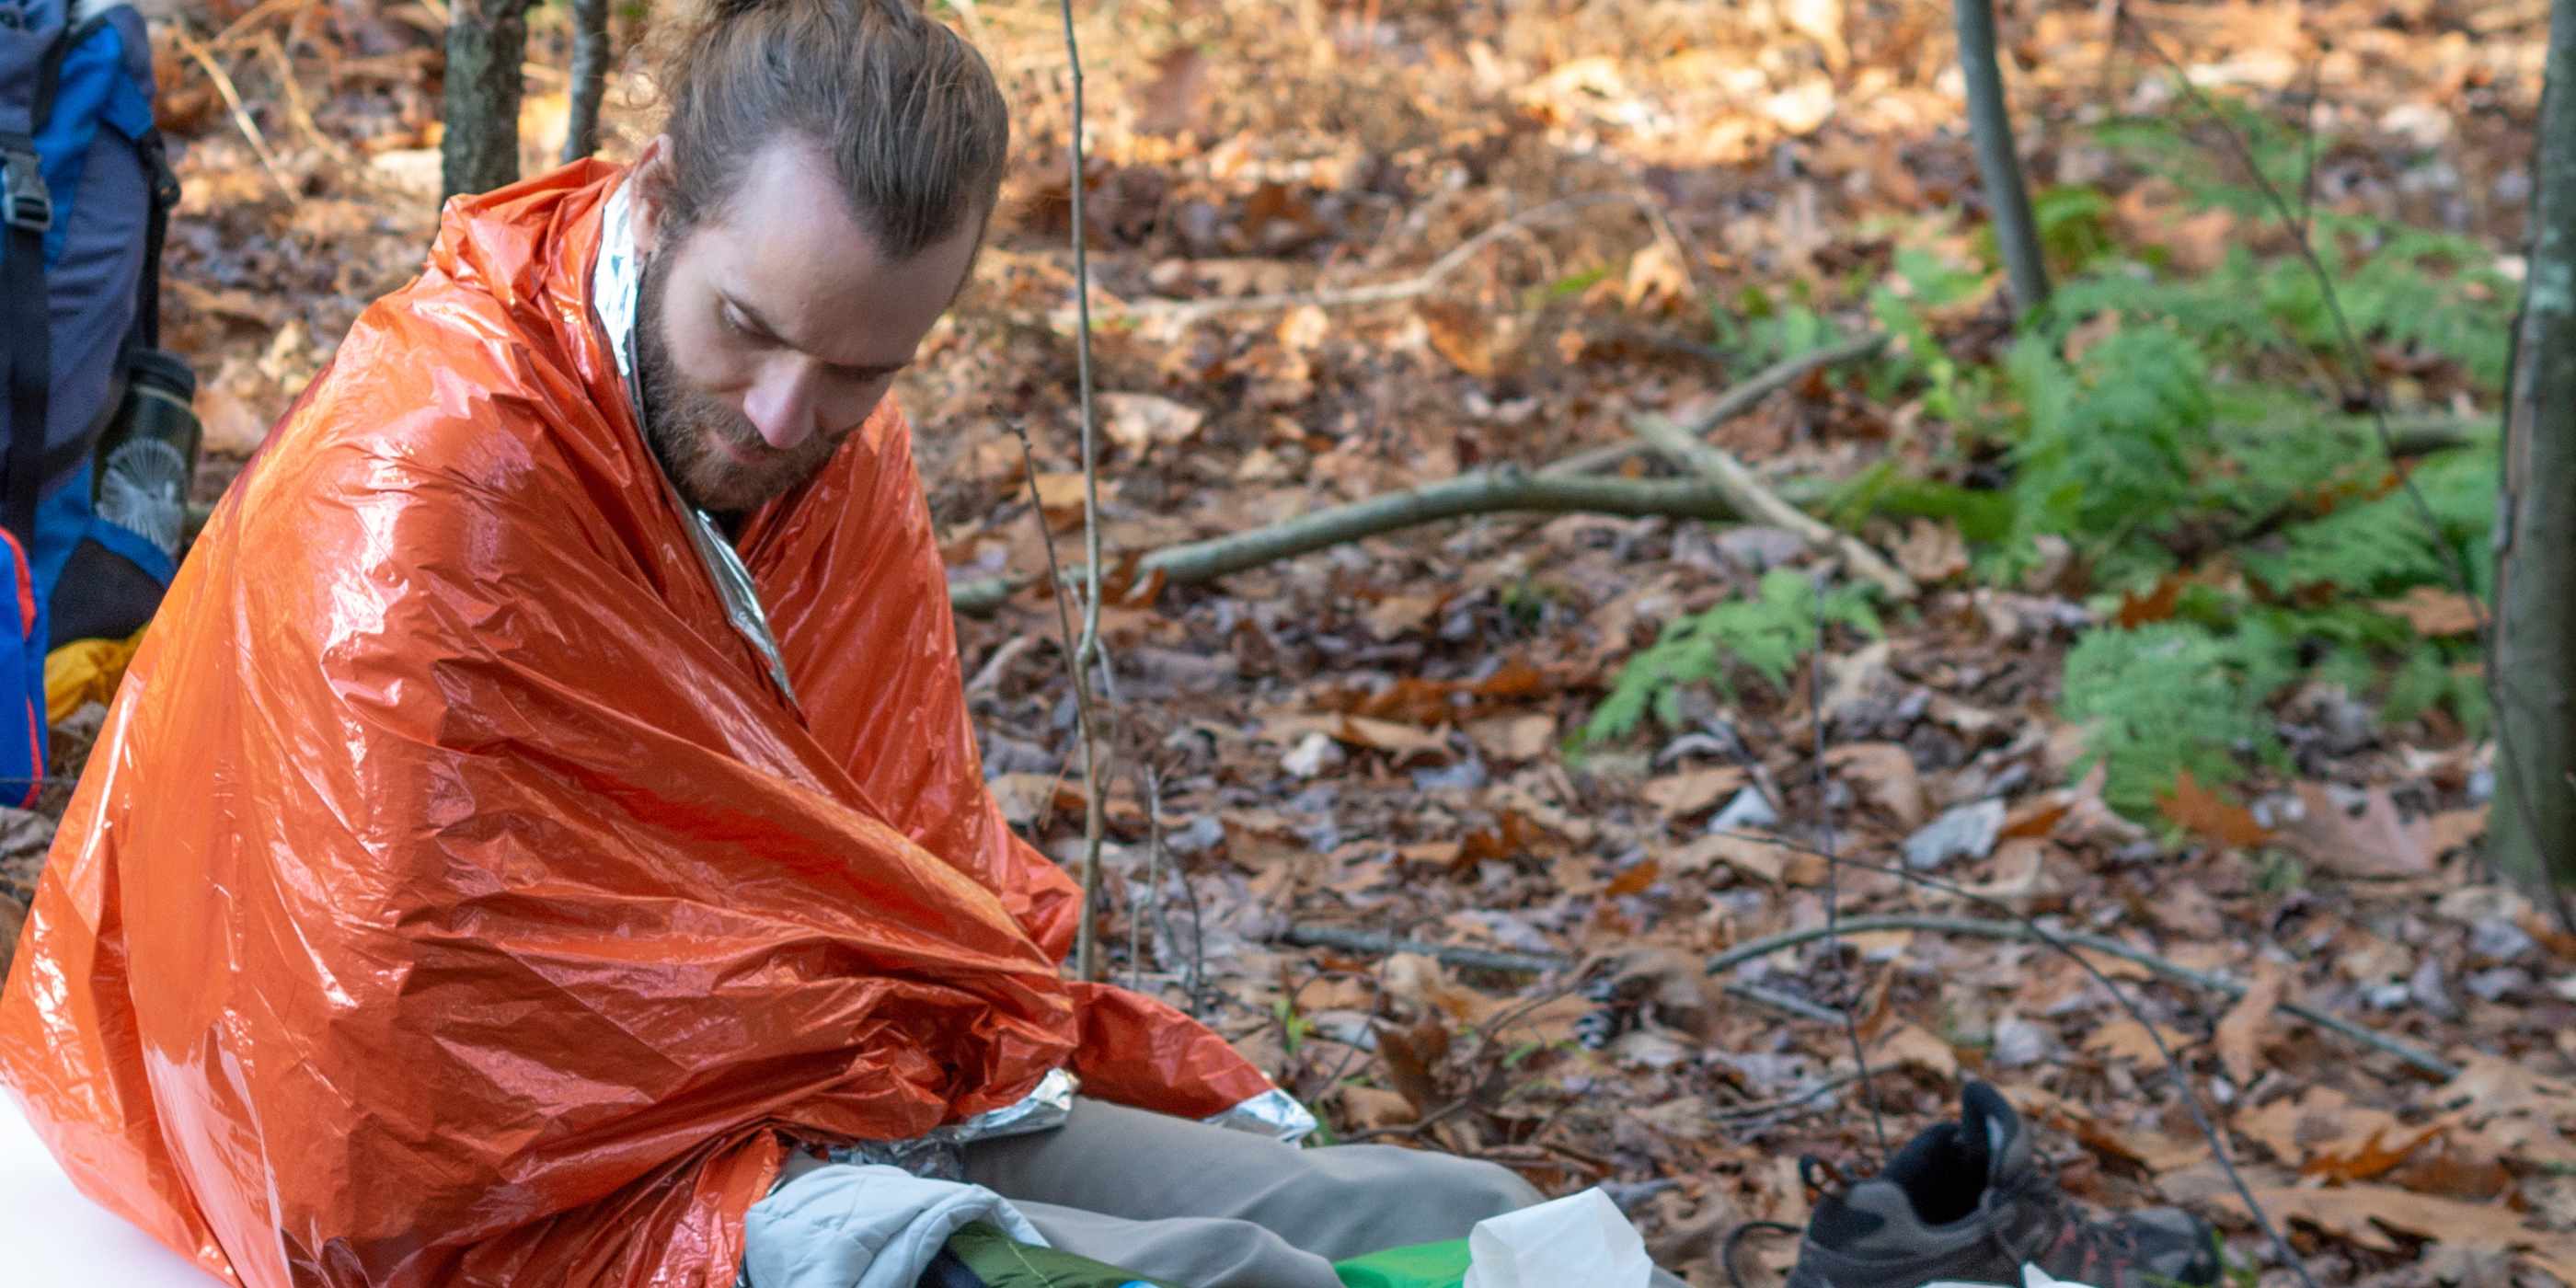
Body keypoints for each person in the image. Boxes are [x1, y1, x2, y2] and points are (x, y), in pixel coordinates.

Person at [0, 2, 1650, 1285]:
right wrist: (776, 1145)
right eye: (750, 331)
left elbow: (889, 857)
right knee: (1216, 1274)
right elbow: (366, 1108)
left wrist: (876, 1056)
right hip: (550, 1197)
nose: (787, 415)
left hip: (828, 1090)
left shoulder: (831, 458)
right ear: (659, 201)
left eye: (863, 369)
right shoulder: (431, 488)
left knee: (1447, 1215)